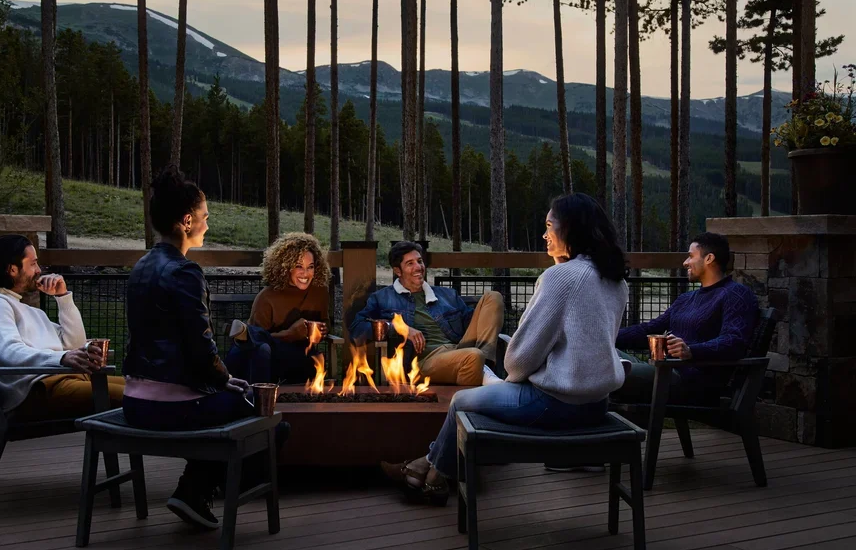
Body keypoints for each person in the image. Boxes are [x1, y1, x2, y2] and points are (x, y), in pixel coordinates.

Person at [382, 193, 629, 504]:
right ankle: (426, 472)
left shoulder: (561, 278)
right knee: (476, 396)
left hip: (557, 405)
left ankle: (430, 476)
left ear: (570, 230)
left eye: (549, 225)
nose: (545, 234)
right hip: (597, 404)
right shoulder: (616, 281)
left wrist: (512, 379)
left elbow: (519, 361)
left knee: (461, 401)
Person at [121, 165, 286, 531]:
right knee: (272, 424)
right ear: (186, 221)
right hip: (170, 407)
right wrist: (226, 379)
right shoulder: (184, 272)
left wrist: (222, 380)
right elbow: (200, 347)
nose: (207, 225)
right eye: (204, 217)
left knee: (234, 403)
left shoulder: (141, 267)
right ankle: (200, 490)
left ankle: (193, 491)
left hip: (134, 401)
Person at [0, 235, 123, 420]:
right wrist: (62, 358)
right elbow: (9, 351)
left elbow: (75, 344)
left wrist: (63, 297)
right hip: (38, 391)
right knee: (137, 397)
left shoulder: (23, 308)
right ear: (12, 269)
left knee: (143, 388)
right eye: (32, 264)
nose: (39, 270)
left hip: (65, 380)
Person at [615, 232, 758, 404]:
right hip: (666, 370)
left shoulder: (736, 295)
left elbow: (734, 341)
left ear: (709, 258)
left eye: (690, 256)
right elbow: (649, 329)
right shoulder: (686, 299)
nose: (685, 262)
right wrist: (608, 337)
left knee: (607, 371)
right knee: (598, 355)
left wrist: (690, 351)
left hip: (692, 381)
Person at [349, 241, 504, 386]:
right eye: (410, 263)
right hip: (423, 361)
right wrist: (397, 327)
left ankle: (484, 367)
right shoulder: (382, 298)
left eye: (420, 261)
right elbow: (357, 329)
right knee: (473, 356)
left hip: (460, 349)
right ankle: (484, 370)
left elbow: (473, 324)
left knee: (493, 297)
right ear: (397, 271)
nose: (418, 267)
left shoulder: (446, 295)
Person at [224, 232, 332, 384]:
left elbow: (325, 324)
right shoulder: (267, 297)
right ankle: (260, 402)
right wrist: (290, 334)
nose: (305, 273)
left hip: (299, 354)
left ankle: (246, 333)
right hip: (266, 356)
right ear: (285, 267)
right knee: (262, 348)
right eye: (298, 266)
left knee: (255, 338)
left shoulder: (320, 293)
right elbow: (254, 348)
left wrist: (322, 330)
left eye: (310, 267)